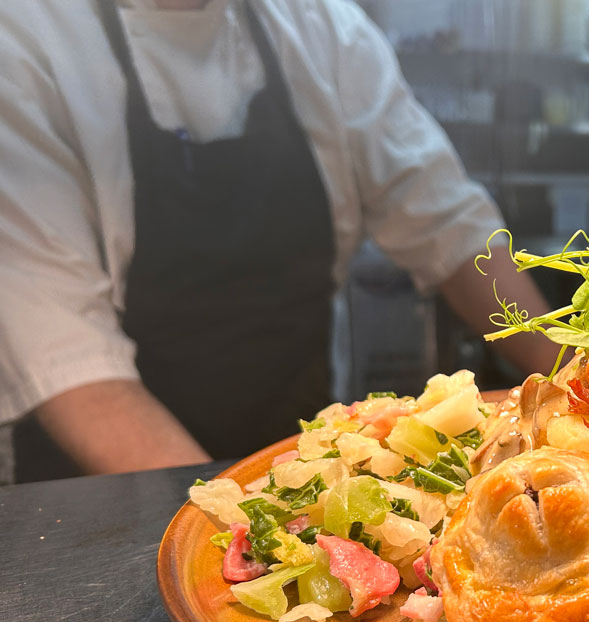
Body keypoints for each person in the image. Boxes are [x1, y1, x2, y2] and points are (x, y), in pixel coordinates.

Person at [0, 0, 560, 482]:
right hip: (104, 492)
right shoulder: (25, 35)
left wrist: (567, 376)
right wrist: (237, 528)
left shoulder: (321, 25)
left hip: (294, 450)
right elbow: (68, 357)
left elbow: (449, 227)